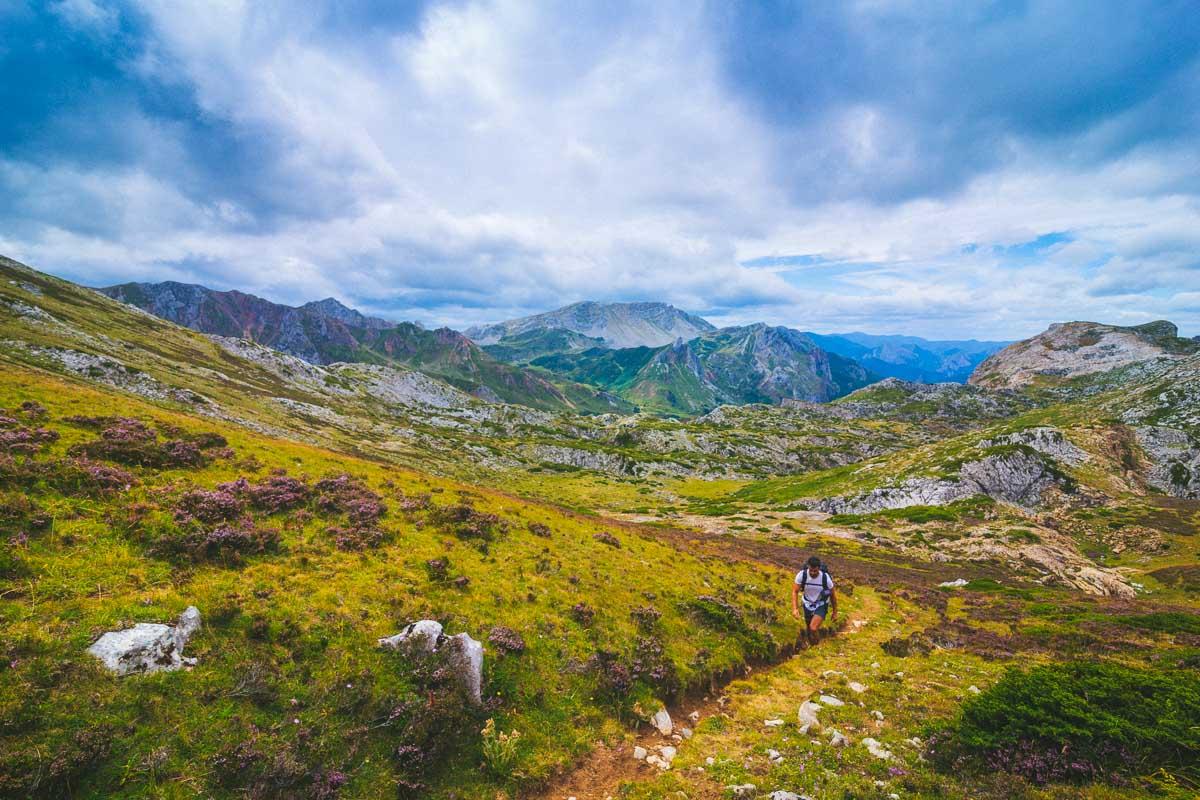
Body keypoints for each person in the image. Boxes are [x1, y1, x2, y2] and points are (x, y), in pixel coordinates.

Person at [792, 556, 837, 646]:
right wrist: (795, 609)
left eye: (815, 571)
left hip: (821, 603)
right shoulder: (802, 575)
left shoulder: (825, 578)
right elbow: (795, 591)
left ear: (819, 568)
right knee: (809, 628)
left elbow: (833, 595)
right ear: (808, 567)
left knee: (813, 628)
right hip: (807, 603)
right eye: (811, 570)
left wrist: (835, 612)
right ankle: (812, 645)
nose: (812, 573)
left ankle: (817, 646)